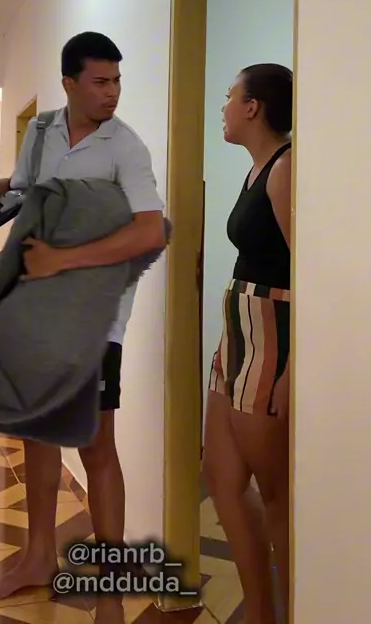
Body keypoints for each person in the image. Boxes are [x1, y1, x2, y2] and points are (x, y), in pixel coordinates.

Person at [0, 31, 165, 621]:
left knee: (95, 447)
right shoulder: (42, 130)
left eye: (117, 81)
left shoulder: (126, 148)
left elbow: (149, 231)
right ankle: (38, 557)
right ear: (69, 83)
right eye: (100, 81)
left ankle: (111, 592)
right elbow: (22, 190)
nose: (112, 93)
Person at [202, 63, 292, 624]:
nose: (224, 106)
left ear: (253, 106)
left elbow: (309, 273)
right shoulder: (256, 168)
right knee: (222, 477)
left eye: (230, 96)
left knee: (277, 495)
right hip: (238, 332)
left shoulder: (286, 168)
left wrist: (291, 371)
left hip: (272, 336)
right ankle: (260, 613)